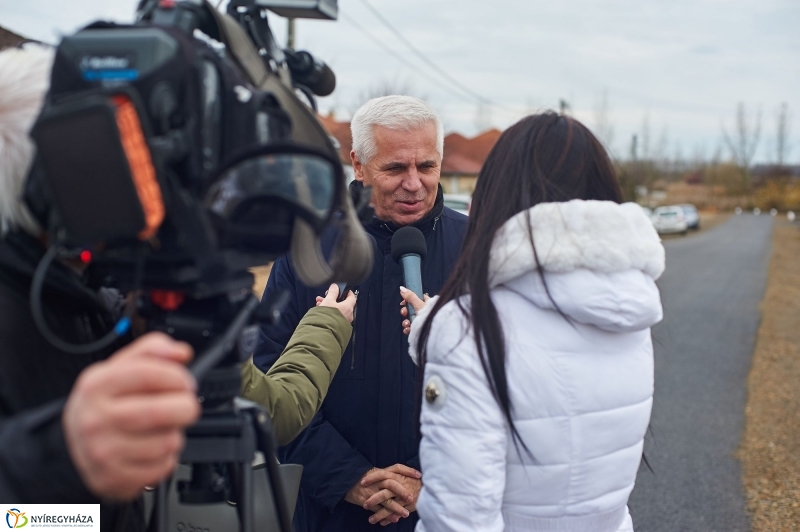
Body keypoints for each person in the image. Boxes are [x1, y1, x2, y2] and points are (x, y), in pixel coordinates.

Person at [0, 43, 356, 529]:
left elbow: (270, 407)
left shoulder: (93, 297)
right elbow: (21, 519)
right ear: (55, 179)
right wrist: (59, 463)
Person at [402, 112, 665, 532]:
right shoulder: (628, 314)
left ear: (497, 193)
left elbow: (460, 519)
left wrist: (446, 330)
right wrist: (436, 328)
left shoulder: (469, 330)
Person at [254, 95, 469, 531]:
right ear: (358, 164)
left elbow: (503, 386)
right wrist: (348, 476)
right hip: (329, 509)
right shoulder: (308, 250)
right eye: (395, 169)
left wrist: (431, 480)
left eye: (426, 166)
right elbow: (269, 382)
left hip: (443, 509)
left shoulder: (477, 249)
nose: (414, 183)